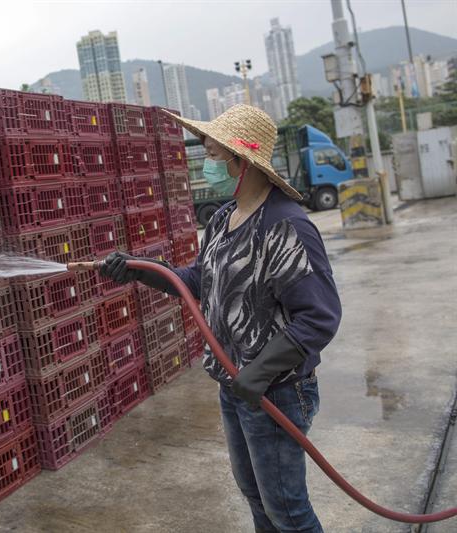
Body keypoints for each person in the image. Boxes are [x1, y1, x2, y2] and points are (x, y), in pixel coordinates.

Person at [100, 104, 342, 533]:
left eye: (214, 156)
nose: (208, 165)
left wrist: (261, 370)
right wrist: (141, 270)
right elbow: (199, 280)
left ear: (242, 162)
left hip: (275, 391)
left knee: (287, 511)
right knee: (256, 498)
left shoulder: (286, 226)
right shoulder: (223, 219)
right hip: (234, 386)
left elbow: (319, 316)